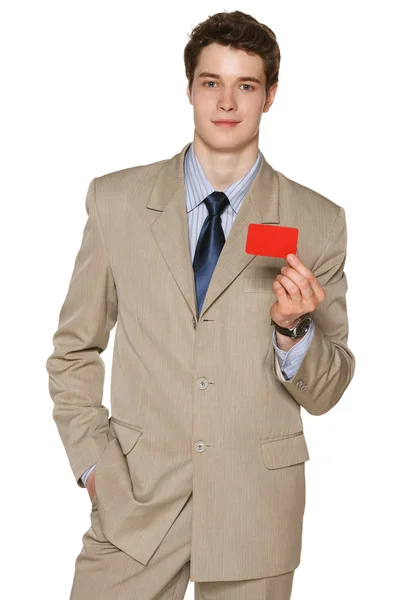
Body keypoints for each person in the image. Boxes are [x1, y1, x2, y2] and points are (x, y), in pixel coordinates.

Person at [46, 10, 356, 600]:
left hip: (255, 512)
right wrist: (94, 466)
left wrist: (294, 333)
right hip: (134, 501)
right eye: (212, 82)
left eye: (246, 86)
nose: (227, 102)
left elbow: (331, 388)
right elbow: (73, 350)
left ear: (270, 98)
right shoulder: (115, 201)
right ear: (189, 88)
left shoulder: (318, 221)